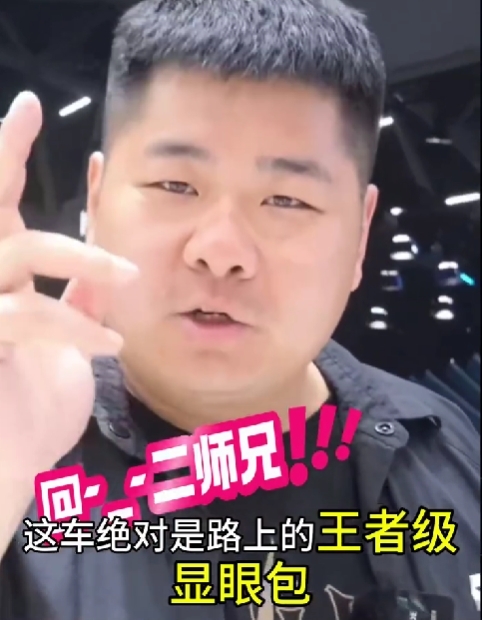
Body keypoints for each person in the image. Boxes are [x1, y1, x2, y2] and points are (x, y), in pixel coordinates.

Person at [0, 0, 479, 618]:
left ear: (360, 236)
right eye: (176, 185)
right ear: (95, 200)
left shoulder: (446, 445)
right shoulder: (21, 459)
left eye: (287, 199)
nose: (221, 251)